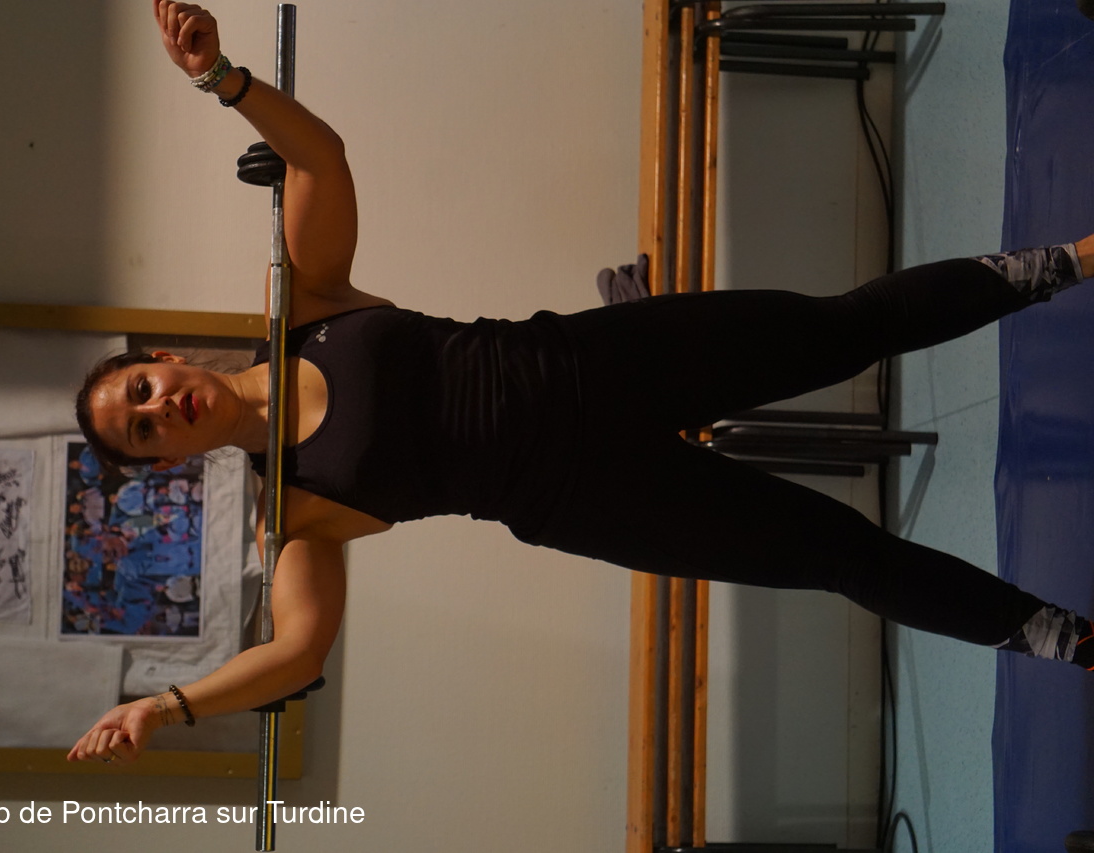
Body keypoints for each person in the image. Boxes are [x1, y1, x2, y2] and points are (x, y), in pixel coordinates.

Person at [68, 1, 1094, 765]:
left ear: (165, 360)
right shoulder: (296, 516)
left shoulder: (303, 304)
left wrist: (223, 79)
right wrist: (166, 705)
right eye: (143, 431)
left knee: (844, 329)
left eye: (142, 390)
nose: (159, 409)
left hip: (595, 362)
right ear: (169, 463)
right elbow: (297, 653)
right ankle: (1061, 635)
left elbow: (321, 159)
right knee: (840, 555)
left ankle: (1072, 261)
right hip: (589, 499)